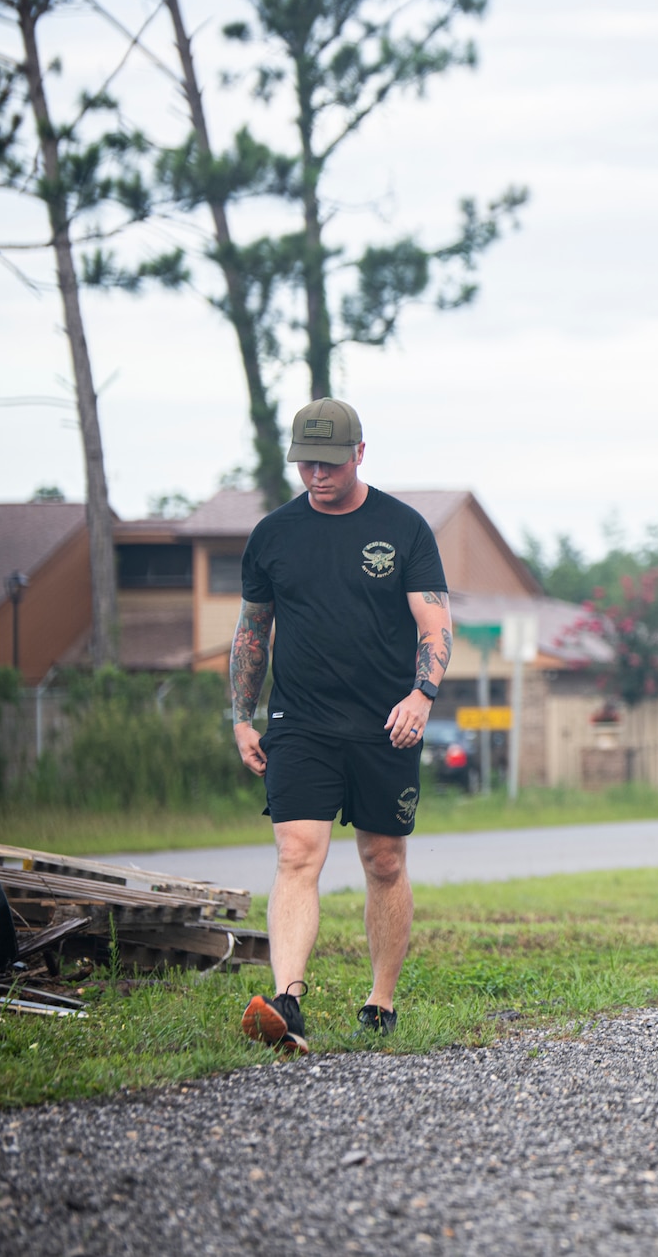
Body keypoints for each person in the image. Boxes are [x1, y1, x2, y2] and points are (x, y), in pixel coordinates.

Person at [229, 399, 452, 1052]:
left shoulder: (404, 528)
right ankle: (288, 999)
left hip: (386, 724)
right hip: (300, 721)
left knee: (384, 859)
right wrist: (242, 715)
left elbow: (434, 624)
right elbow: (252, 631)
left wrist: (422, 694)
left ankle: (380, 999)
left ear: (358, 453)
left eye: (328, 462)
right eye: (305, 462)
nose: (316, 474)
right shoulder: (273, 535)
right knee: (297, 853)